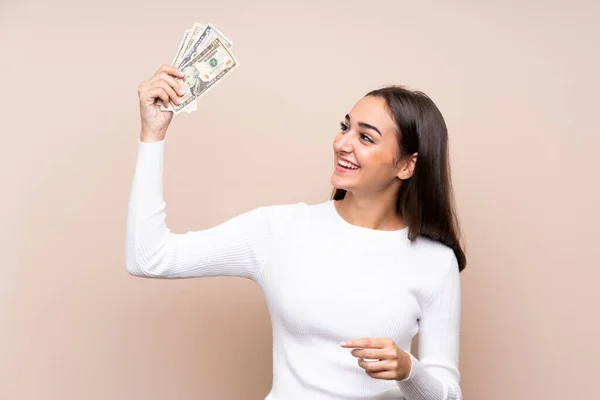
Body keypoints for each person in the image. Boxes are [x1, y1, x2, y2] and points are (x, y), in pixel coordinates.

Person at [126, 64, 466, 400]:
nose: (342, 143)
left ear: (406, 165)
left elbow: (448, 396)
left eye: (365, 137)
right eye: (345, 128)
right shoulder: (279, 231)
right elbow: (149, 258)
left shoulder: (435, 261)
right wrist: (153, 134)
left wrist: (409, 369)